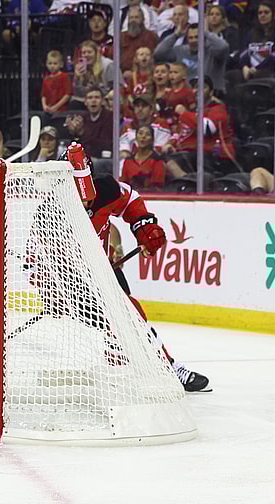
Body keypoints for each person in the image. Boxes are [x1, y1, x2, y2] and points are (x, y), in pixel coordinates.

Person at [27, 143, 210, 391]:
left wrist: (143, 226)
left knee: (129, 312)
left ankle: (123, 348)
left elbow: (130, 201)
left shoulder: (106, 189)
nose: (84, 201)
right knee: (129, 316)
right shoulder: (49, 214)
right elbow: (34, 260)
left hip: (104, 267)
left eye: (86, 190)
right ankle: (167, 366)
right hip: (72, 279)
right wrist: (48, 288)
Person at [154, 22, 229, 93]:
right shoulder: (180, 50)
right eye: (190, 38)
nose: (194, 40)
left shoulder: (213, 51)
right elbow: (159, 53)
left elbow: (223, 47)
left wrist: (207, 33)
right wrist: (175, 35)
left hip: (212, 95)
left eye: (197, 37)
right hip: (186, 96)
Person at [66, 86, 112, 157]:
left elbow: (104, 144)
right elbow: (77, 143)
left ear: (102, 101)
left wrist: (82, 133)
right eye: (90, 98)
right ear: (85, 102)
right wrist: (74, 133)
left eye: (97, 97)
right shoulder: (82, 118)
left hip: (101, 157)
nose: (93, 100)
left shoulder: (109, 117)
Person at [120, 125, 166, 190]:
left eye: (147, 134)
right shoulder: (128, 161)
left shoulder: (157, 161)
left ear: (152, 140)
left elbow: (158, 188)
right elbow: (124, 186)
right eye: (140, 133)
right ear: (136, 137)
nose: (143, 136)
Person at [40, 49, 70, 115]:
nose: (52, 66)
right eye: (50, 63)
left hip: (61, 111)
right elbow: (43, 95)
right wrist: (44, 106)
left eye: (55, 63)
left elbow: (67, 95)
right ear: (46, 64)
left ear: (61, 64)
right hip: (48, 109)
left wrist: (56, 107)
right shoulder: (46, 78)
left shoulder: (64, 76)